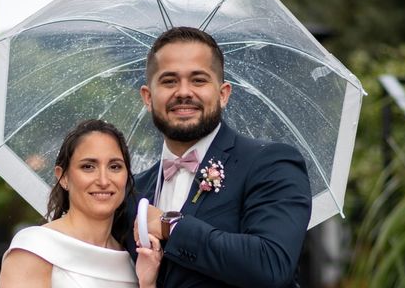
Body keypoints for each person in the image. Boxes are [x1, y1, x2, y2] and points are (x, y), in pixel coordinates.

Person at [127, 27, 312, 287]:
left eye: (198, 80)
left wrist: (172, 227)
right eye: (169, 81)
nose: (183, 92)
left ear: (223, 93)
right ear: (148, 97)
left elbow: (272, 264)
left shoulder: (271, 163)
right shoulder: (135, 191)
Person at [0, 119, 162, 288]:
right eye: (88, 167)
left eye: (114, 167)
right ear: (63, 177)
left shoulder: (133, 262)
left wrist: (147, 284)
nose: (104, 181)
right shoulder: (35, 249)